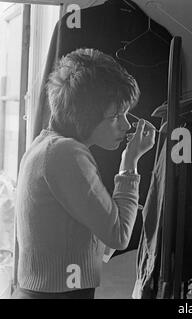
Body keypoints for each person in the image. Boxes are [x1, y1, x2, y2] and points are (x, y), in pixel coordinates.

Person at [12, 48, 156, 299]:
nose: (126, 124)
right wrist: (130, 163)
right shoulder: (67, 154)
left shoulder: (46, 145)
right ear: (85, 116)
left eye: (125, 114)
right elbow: (118, 236)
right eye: (115, 116)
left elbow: (92, 233)